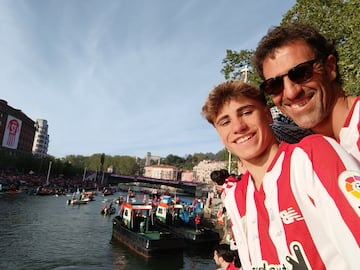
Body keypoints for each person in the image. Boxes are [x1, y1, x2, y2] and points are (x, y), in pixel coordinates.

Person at [201, 80, 360, 269]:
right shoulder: (236, 198)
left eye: (246, 112)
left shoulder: (312, 157)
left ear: (268, 115)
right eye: (225, 122)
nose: (238, 127)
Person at [253, 22, 360, 161]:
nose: (291, 93)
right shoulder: (312, 157)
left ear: (330, 68)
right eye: (274, 85)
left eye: (301, 73)